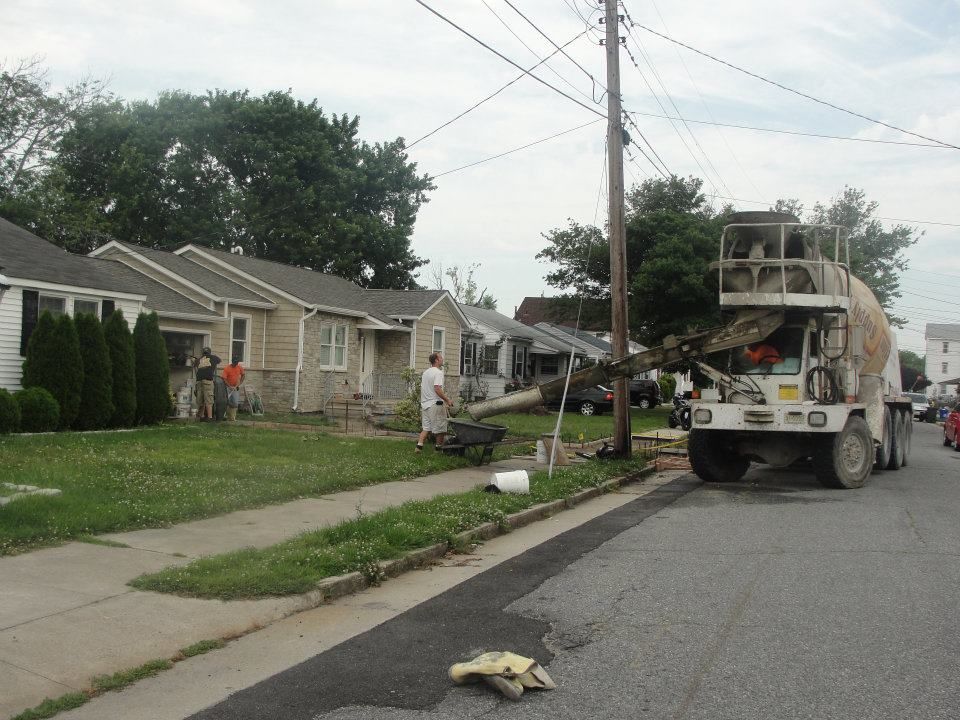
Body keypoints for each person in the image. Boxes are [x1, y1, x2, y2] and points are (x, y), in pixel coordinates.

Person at [417, 352, 454, 452]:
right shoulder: (438, 372)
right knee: (440, 429)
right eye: (441, 358)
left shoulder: (426, 372)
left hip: (425, 404)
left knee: (426, 428)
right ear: (436, 360)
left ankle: (418, 447)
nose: (442, 359)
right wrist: (447, 400)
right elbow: (437, 388)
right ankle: (438, 451)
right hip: (435, 404)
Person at [193, 346, 221, 420]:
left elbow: (195, 366)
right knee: (209, 399)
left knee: (201, 399)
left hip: (199, 381)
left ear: (203, 353)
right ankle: (210, 417)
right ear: (210, 352)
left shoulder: (199, 359)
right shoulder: (214, 358)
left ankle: (201, 416)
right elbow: (219, 360)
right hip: (207, 381)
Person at [221, 357, 245, 421]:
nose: (235, 364)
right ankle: (223, 416)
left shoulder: (239, 367)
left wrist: (240, 383)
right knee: (226, 401)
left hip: (235, 387)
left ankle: (232, 418)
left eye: (236, 362)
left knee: (235, 402)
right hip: (228, 387)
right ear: (232, 362)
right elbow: (224, 378)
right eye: (234, 362)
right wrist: (229, 386)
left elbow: (243, 375)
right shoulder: (227, 368)